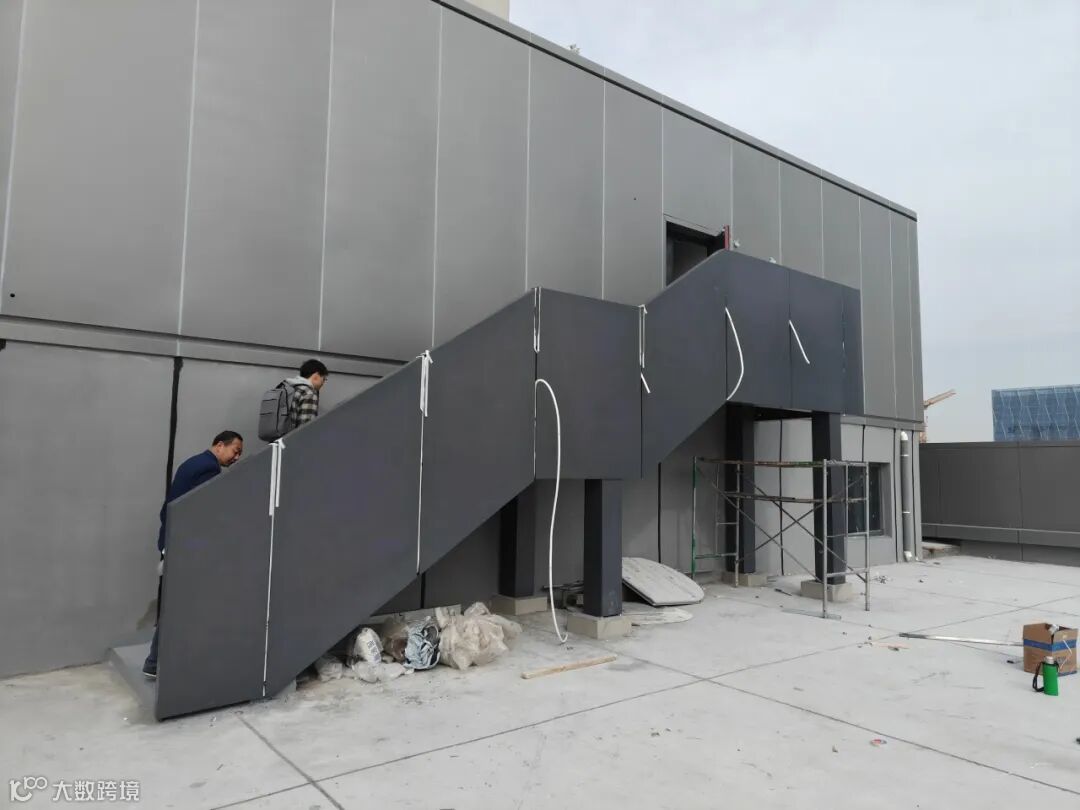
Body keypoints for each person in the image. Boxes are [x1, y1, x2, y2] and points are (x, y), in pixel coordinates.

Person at [143, 430, 244, 679]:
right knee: (184, 607)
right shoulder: (209, 469)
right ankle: (160, 662)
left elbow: (168, 508)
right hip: (186, 549)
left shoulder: (192, 463)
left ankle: (156, 662)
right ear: (219, 445)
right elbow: (203, 513)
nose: (236, 458)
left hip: (172, 543)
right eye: (235, 451)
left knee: (175, 606)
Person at [283, 358, 329, 433]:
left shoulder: (287, 387)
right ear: (316, 376)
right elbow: (306, 429)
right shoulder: (309, 393)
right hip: (293, 439)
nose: (323, 383)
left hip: (278, 439)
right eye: (323, 379)